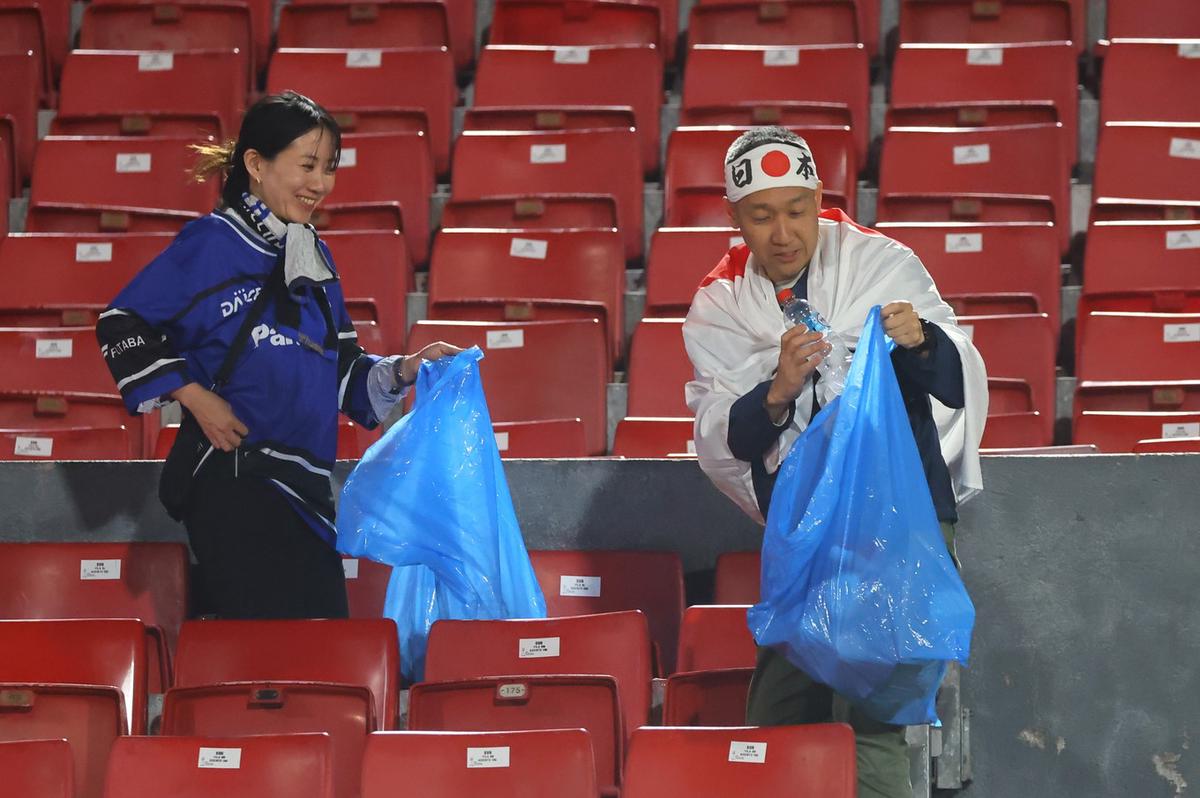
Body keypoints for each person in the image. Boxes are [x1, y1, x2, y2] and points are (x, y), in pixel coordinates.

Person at [683, 126, 988, 797]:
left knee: (873, 727)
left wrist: (920, 342)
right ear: (735, 218)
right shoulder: (720, 304)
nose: (783, 231)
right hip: (806, 534)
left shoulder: (882, 264)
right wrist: (778, 391)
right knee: (780, 721)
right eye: (762, 215)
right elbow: (719, 434)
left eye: (797, 209)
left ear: (819, 197)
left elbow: (957, 371)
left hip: (894, 525)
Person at [97, 91, 460, 620]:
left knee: (312, 667)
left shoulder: (314, 256)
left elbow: (341, 375)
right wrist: (194, 397)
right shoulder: (211, 243)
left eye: (330, 168)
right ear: (255, 164)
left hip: (307, 499)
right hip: (238, 486)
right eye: (307, 165)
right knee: (284, 668)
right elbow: (120, 323)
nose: (321, 184)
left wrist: (405, 369)